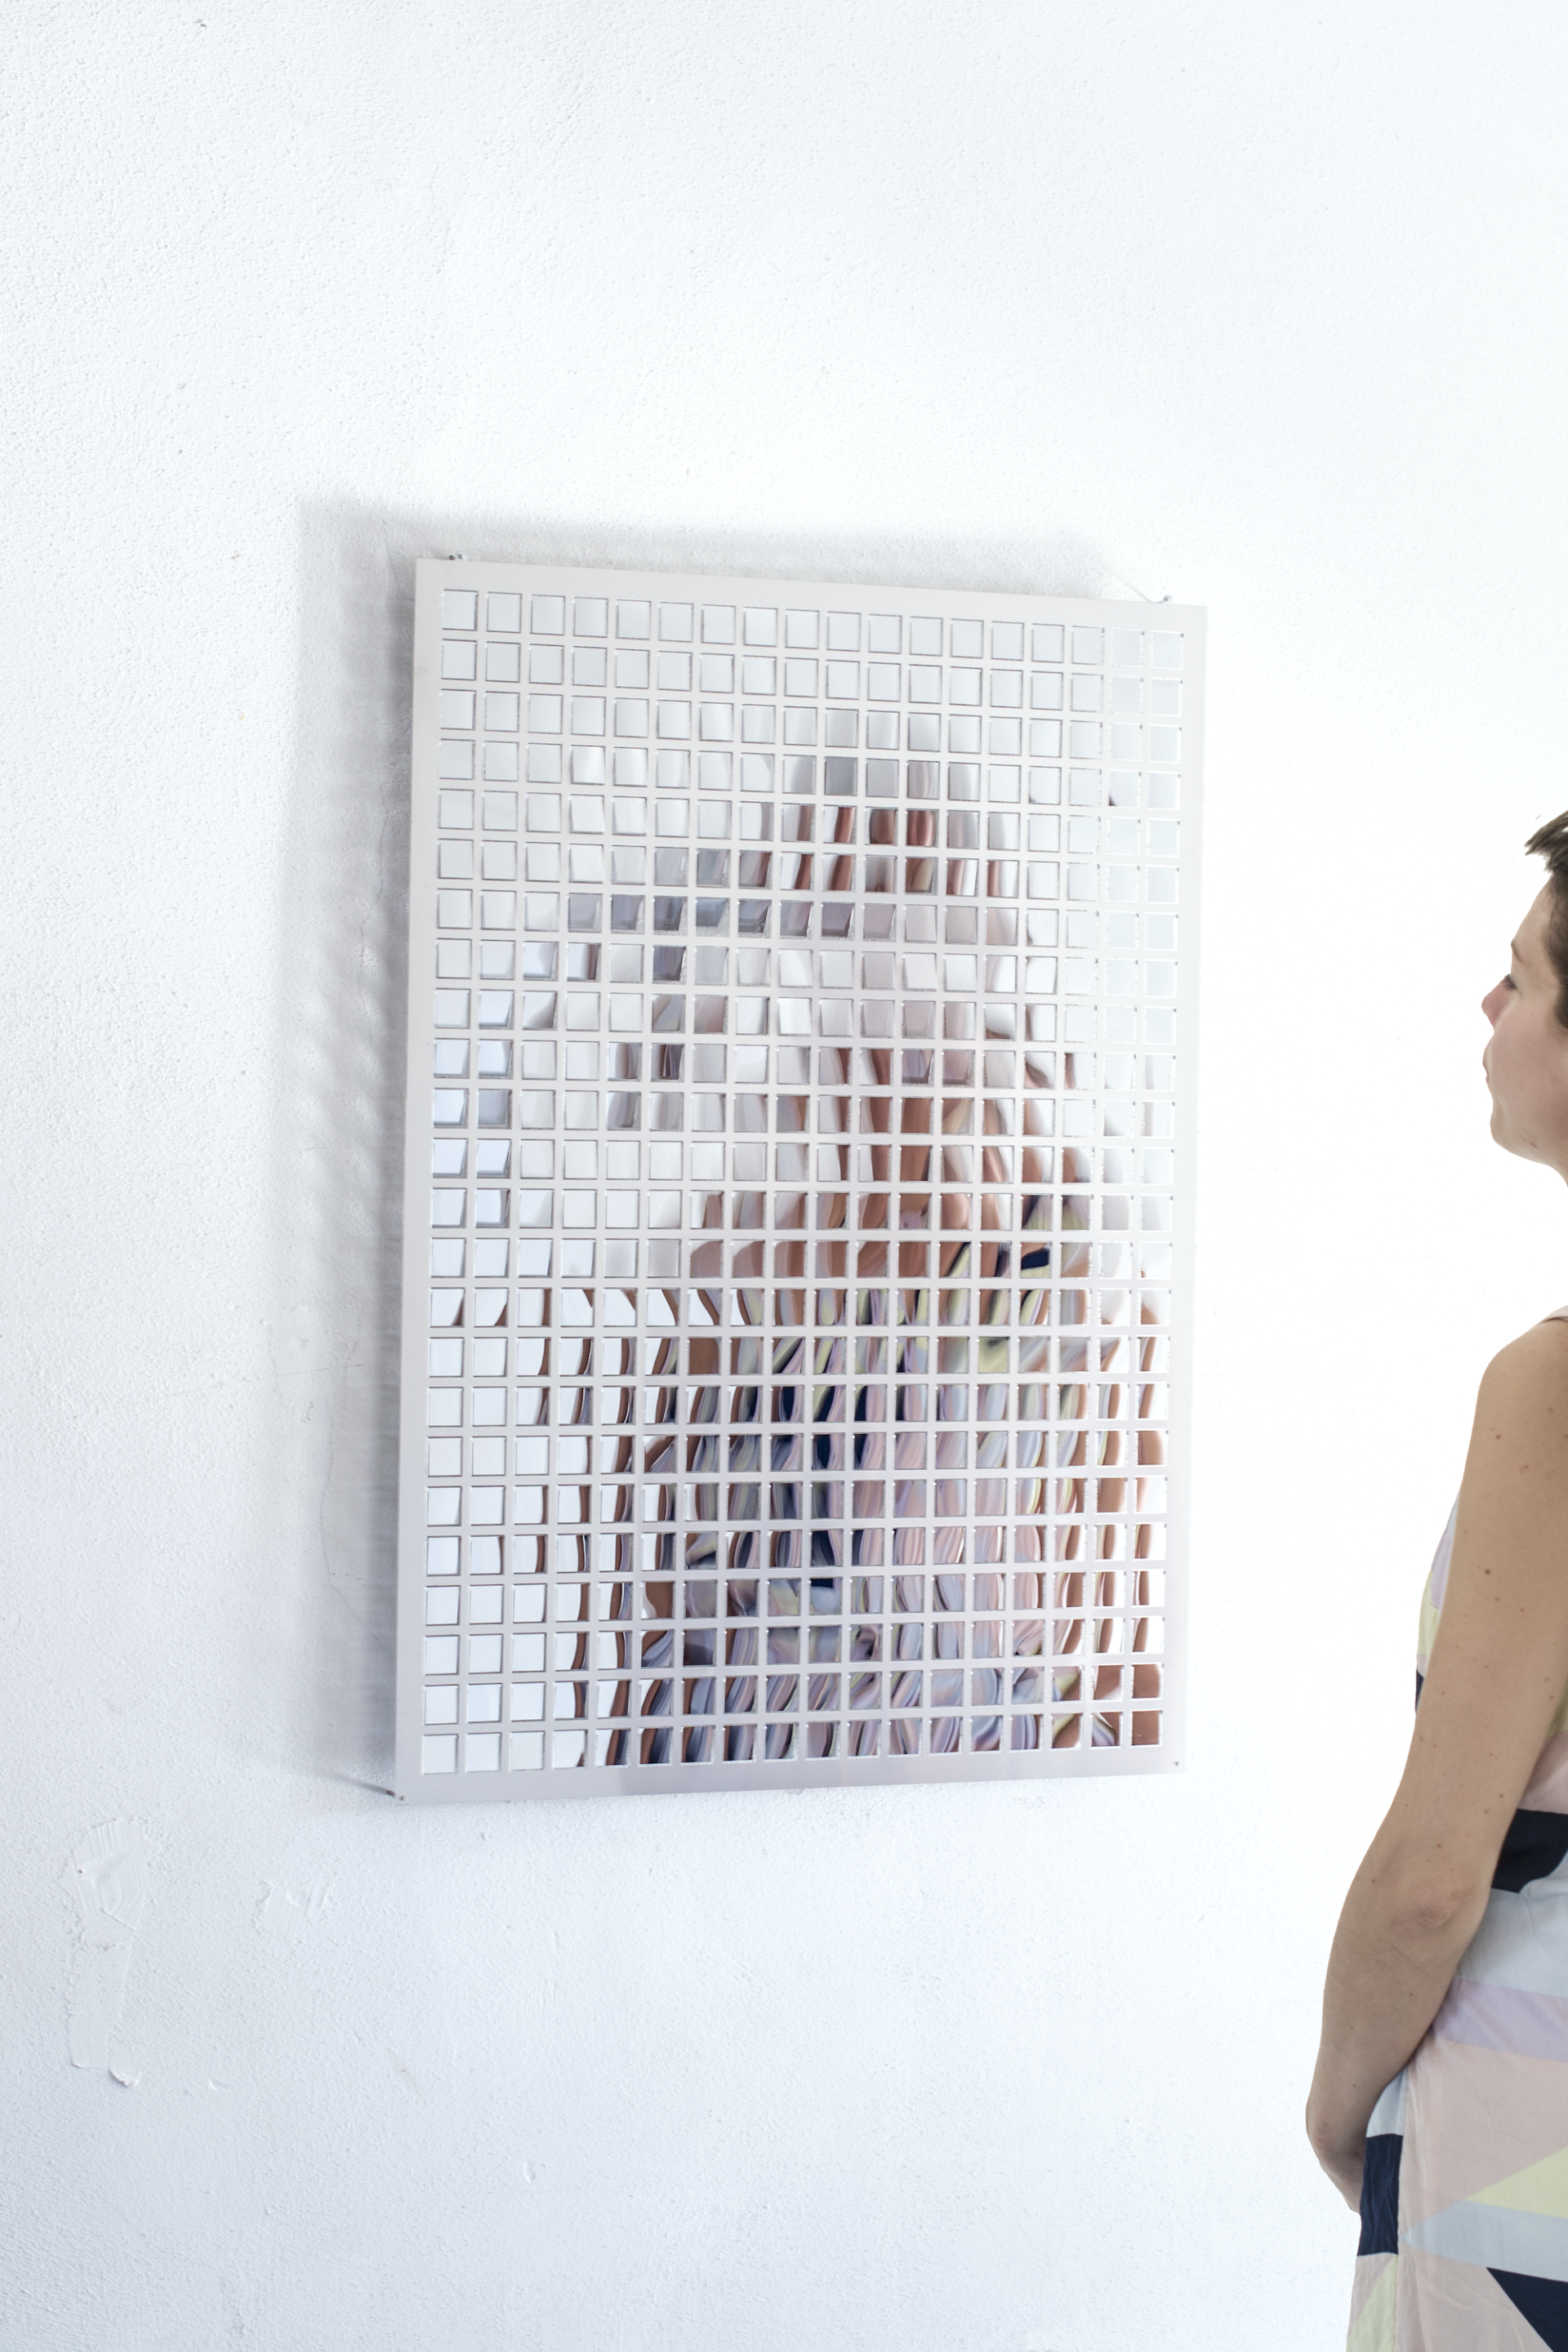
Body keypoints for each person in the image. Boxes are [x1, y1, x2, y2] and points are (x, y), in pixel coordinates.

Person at [1310, 815, 1568, 2349]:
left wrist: (1346, 2107)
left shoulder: (1550, 1394)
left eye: (1524, 976)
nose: (1492, 1009)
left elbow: (1430, 1876)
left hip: (1525, 2145)